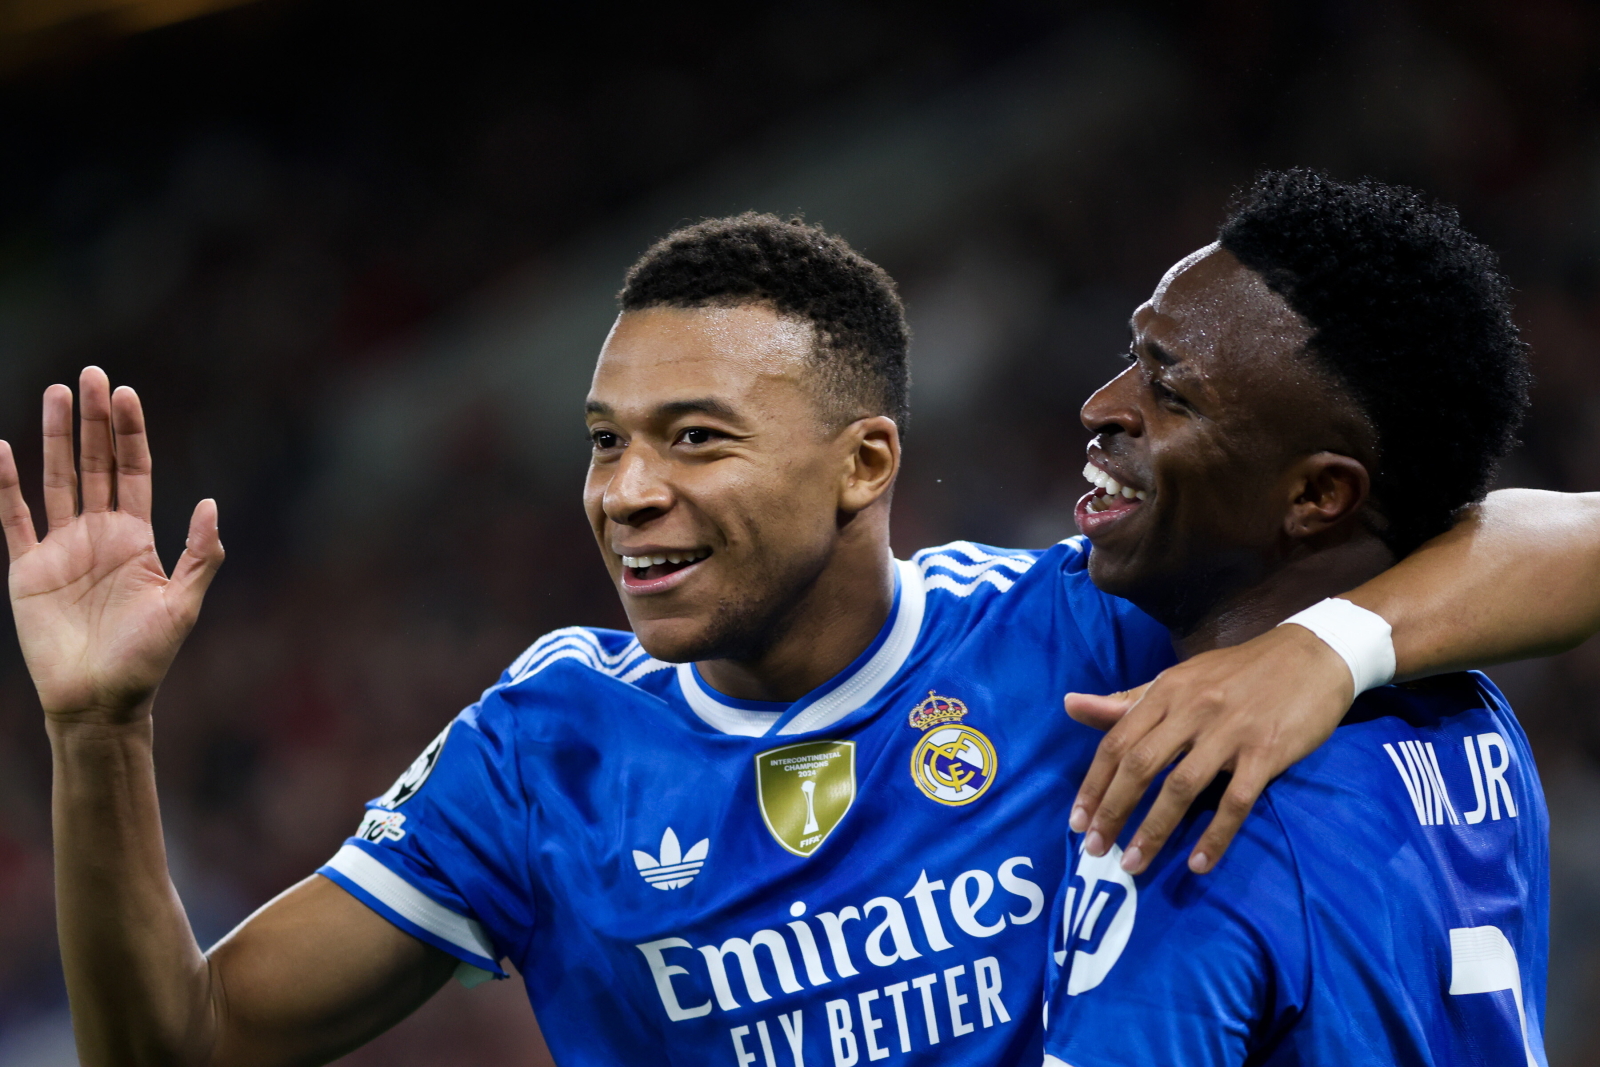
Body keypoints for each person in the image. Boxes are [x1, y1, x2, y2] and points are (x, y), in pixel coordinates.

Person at [7, 211, 1597, 1066]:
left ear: (863, 462)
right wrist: (98, 732)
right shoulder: (543, 748)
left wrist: (1328, 644)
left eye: (694, 438)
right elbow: (181, 1044)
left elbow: (1543, 532)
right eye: (605, 441)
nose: (627, 492)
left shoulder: (1080, 629)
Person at [1043, 170, 1553, 1066]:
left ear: (1318, 494)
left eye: (1170, 392)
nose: (1103, 406)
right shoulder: (1475, 715)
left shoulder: (1204, 813)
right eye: (1134, 355)